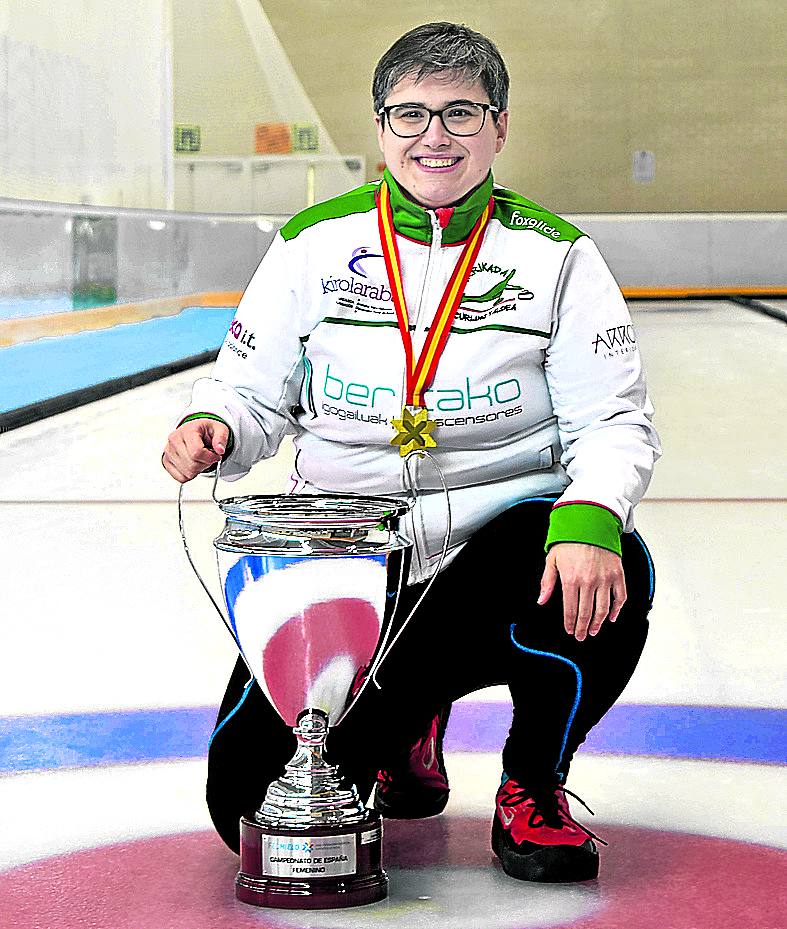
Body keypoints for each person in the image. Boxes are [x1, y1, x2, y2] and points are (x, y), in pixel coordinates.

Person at [162, 22, 660, 884]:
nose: (434, 136)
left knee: (611, 569)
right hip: (345, 557)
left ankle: (531, 784)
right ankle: (405, 721)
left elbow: (613, 420)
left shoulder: (557, 259)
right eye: (410, 114)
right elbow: (247, 389)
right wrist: (219, 427)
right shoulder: (313, 244)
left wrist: (591, 516)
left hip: (491, 550)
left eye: (460, 113)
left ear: (499, 128)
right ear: (381, 127)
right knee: (246, 804)